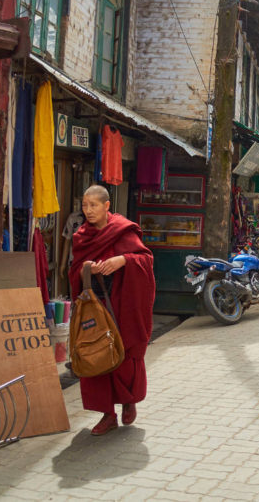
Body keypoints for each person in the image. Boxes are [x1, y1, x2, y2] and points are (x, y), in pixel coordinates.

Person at [68, 185, 155, 436]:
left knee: (124, 354)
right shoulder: (81, 236)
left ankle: (129, 401)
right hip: (94, 305)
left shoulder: (122, 230)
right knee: (93, 352)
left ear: (107, 206)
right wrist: (87, 268)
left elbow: (146, 260)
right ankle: (107, 415)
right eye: (85, 206)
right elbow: (73, 271)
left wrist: (123, 260)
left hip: (121, 304)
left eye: (93, 205)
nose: (88, 211)